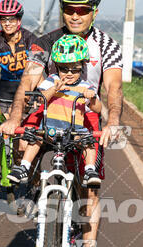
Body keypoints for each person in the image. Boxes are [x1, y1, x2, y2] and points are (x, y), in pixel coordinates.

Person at [0, 0, 123, 247]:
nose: (75, 15)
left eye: (82, 9)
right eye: (69, 9)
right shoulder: (45, 43)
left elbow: (114, 89)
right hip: (49, 116)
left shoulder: (107, 46)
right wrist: (15, 118)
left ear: (94, 11)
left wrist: (114, 123)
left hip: (83, 121)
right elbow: (28, 82)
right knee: (21, 145)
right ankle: (27, 187)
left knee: (89, 190)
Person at [7, 35, 102, 188]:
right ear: (57, 66)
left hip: (74, 132)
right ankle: (24, 167)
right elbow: (40, 99)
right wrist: (54, 89)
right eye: (64, 69)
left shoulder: (86, 86)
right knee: (35, 137)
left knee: (88, 141)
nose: (69, 73)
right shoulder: (51, 80)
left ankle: (90, 170)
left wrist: (92, 99)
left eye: (75, 69)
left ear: (82, 67)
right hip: (49, 129)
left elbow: (98, 109)